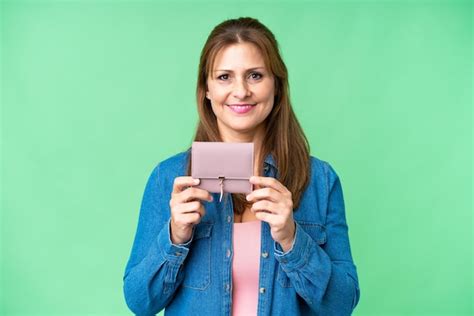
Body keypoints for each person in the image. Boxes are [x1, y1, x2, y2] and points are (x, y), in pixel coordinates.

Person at [123, 17, 360, 315]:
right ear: (206, 89)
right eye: (224, 77)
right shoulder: (168, 178)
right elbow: (139, 303)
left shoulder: (320, 181)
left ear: (277, 85)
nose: (241, 91)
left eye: (255, 76)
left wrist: (291, 237)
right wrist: (176, 235)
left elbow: (342, 305)